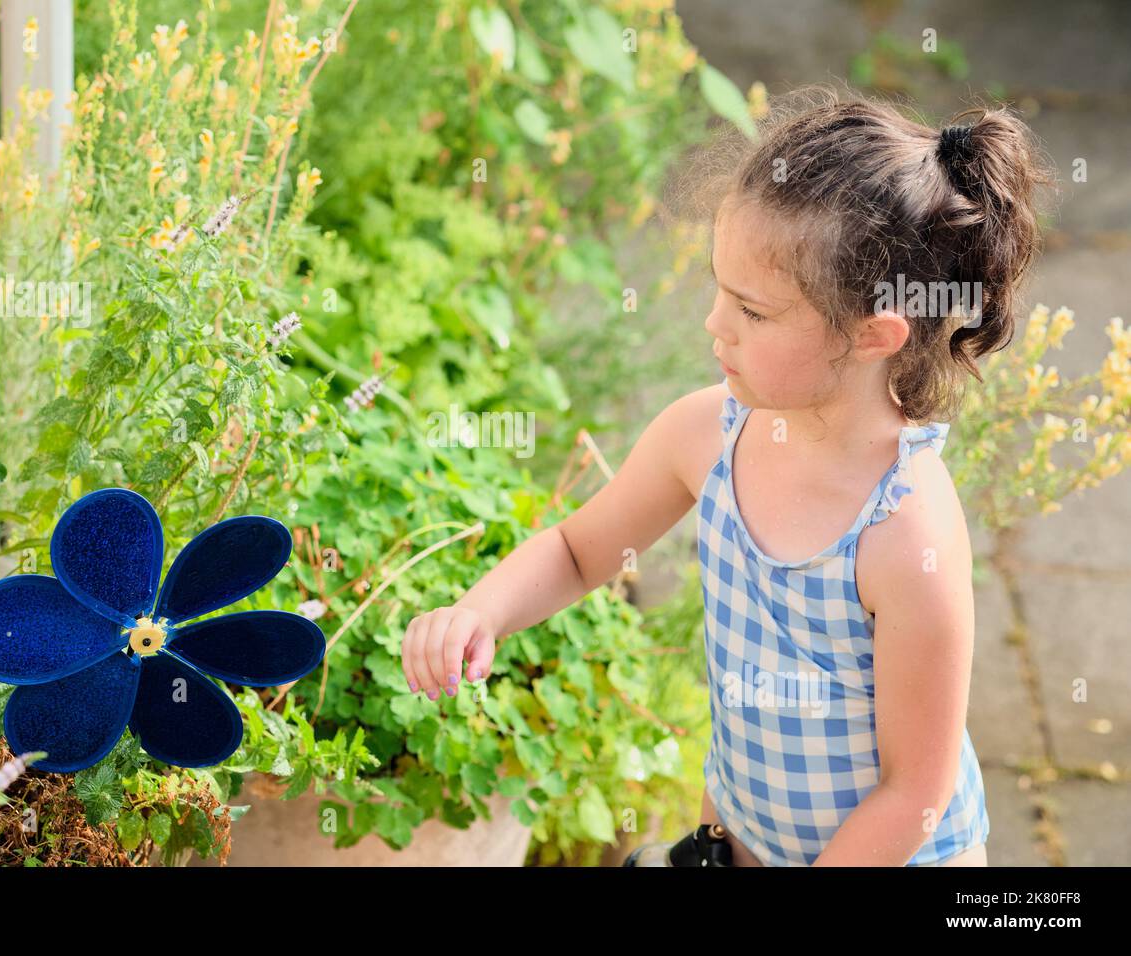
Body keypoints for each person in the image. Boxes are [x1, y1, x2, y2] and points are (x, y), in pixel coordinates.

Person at [398, 85, 1056, 866]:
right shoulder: (706, 433)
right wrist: (480, 613)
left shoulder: (907, 532)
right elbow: (580, 553)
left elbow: (915, 792)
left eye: (754, 311)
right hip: (744, 842)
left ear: (875, 334)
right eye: (720, 290)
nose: (715, 324)